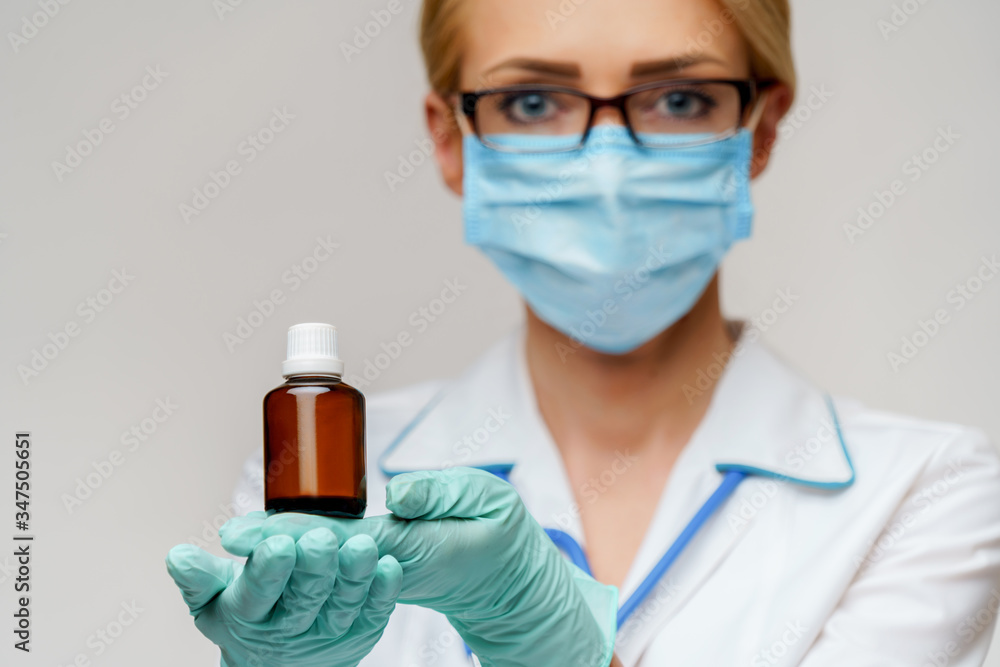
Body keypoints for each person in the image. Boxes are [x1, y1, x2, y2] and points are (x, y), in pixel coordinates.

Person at [166, 0, 1000, 665]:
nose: (607, 166)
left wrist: (544, 639)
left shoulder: (930, 493)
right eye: (533, 101)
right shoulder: (323, 479)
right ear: (451, 141)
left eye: (679, 99)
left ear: (761, 130)